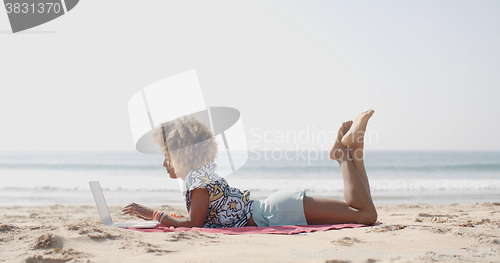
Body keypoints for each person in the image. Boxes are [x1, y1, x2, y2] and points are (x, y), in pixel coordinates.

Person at [122, 110, 377, 228]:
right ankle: (355, 151)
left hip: (277, 213)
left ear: (183, 154)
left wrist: (152, 213)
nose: (165, 163)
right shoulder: (202, 173)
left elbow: (193, 224)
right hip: (276, 208)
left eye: (168, 156)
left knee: (365, 215)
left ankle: (342, 155)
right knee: (362, 211)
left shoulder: (197, 181)